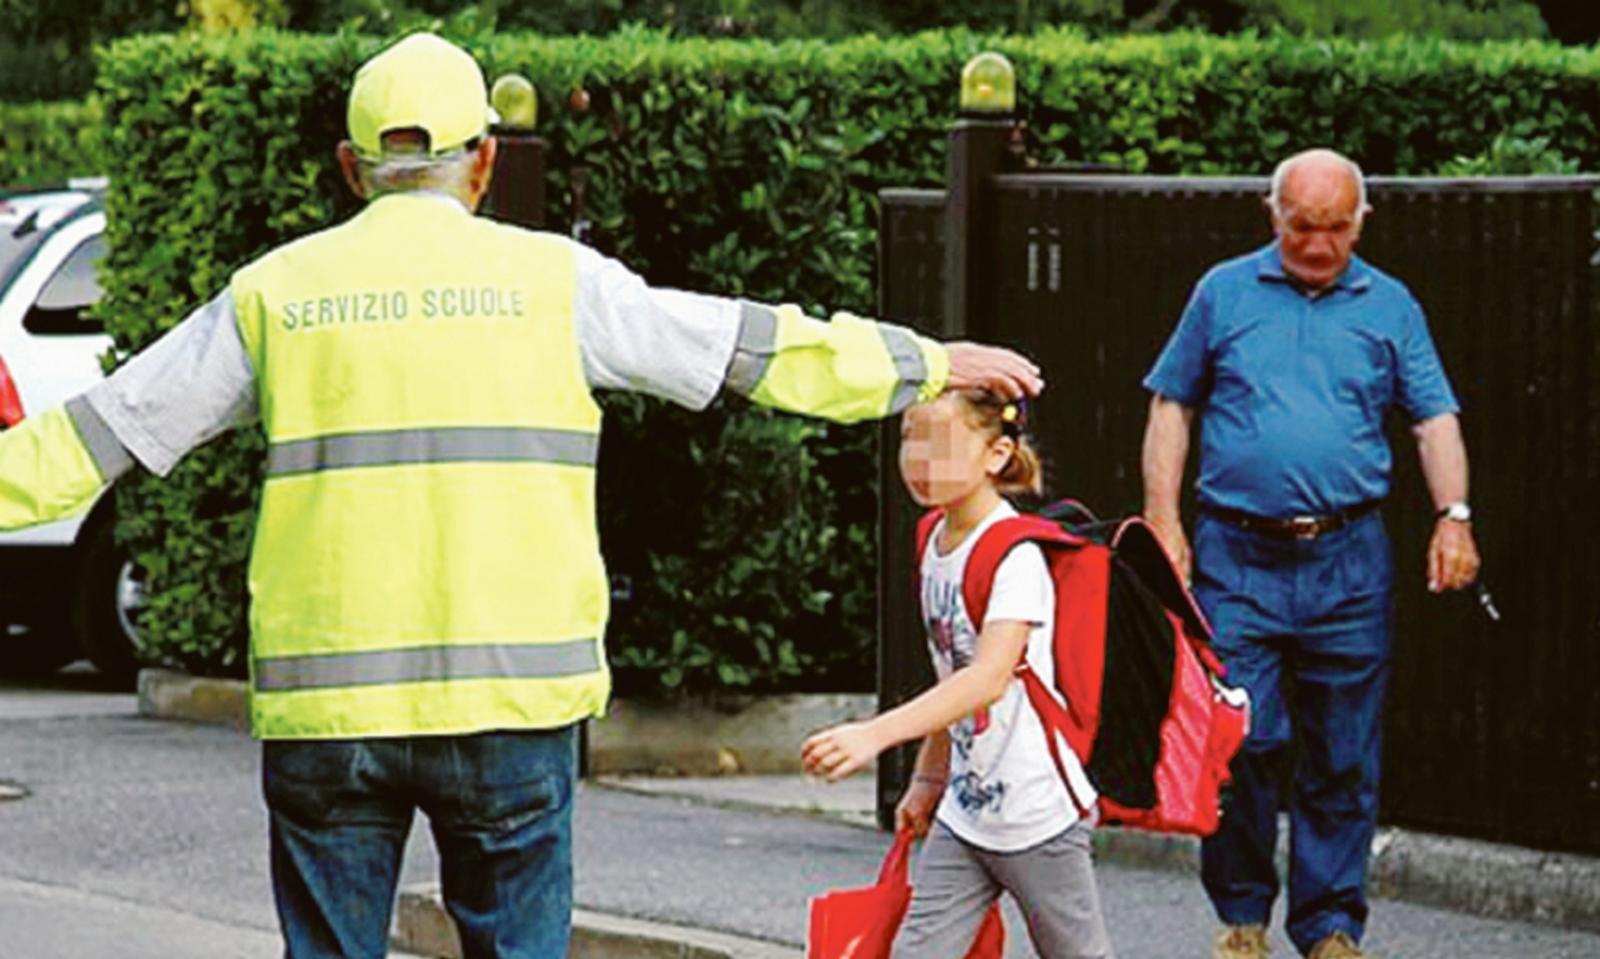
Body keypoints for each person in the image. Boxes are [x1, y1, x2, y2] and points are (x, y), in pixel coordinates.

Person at [0, 33, 1047, 959]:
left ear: (349, 168)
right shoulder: (560, 283)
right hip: (510, 704)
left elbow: (113, 424)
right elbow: (736, 344)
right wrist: (916, 362)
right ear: (486, 162)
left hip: (331, 715)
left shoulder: (275, 291)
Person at [1139, 148, 1481, 959]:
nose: (1319, 243)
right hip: (1237, 553)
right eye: (1302, 226)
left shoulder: (1391, 305)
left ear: (1360, 221)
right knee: (1241, 736)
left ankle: (1329, 925)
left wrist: (1455, 516)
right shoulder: (1222, 292)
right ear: (1273, 214)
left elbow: (1433, 419)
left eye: (1334, 227)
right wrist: (1162, 517)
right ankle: (1243, 912)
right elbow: (1171, 404)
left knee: (1342, 749)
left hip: (1348, 557)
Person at [802, 390, 1114, 959]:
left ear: (996, 455)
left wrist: (874, 734)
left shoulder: (1014, 555)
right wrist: (928, 779)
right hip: (966, 815)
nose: (920, 462)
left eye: (941, 446)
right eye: (909, 443)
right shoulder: (935, 539)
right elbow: (952, 672)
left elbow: (987, 678)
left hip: (1036, 813)